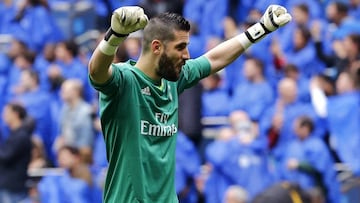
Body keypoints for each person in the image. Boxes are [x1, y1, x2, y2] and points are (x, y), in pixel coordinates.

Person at [88, 5, 291, 202]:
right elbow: (97, 72)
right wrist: (114, 36)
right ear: (156, 47)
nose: (186, 55)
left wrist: (260, 29)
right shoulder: (125, 81)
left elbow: (214, 59)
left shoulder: (174, 79)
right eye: (180, 47)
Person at [0, 102, 33, 203]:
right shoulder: (14, 135)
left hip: (13, 186)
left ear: (16, 114)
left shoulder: (21, 136)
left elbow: (6, 156)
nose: (3, 115)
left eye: (6, 112)